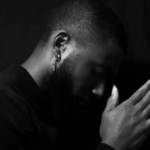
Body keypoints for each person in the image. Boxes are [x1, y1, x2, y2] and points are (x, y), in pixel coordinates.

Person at [0, 0, 150, 150]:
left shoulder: (52, 115)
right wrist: (113, 145)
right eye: (97, 72)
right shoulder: (5, 108)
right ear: (60, 45)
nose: (99, 91)